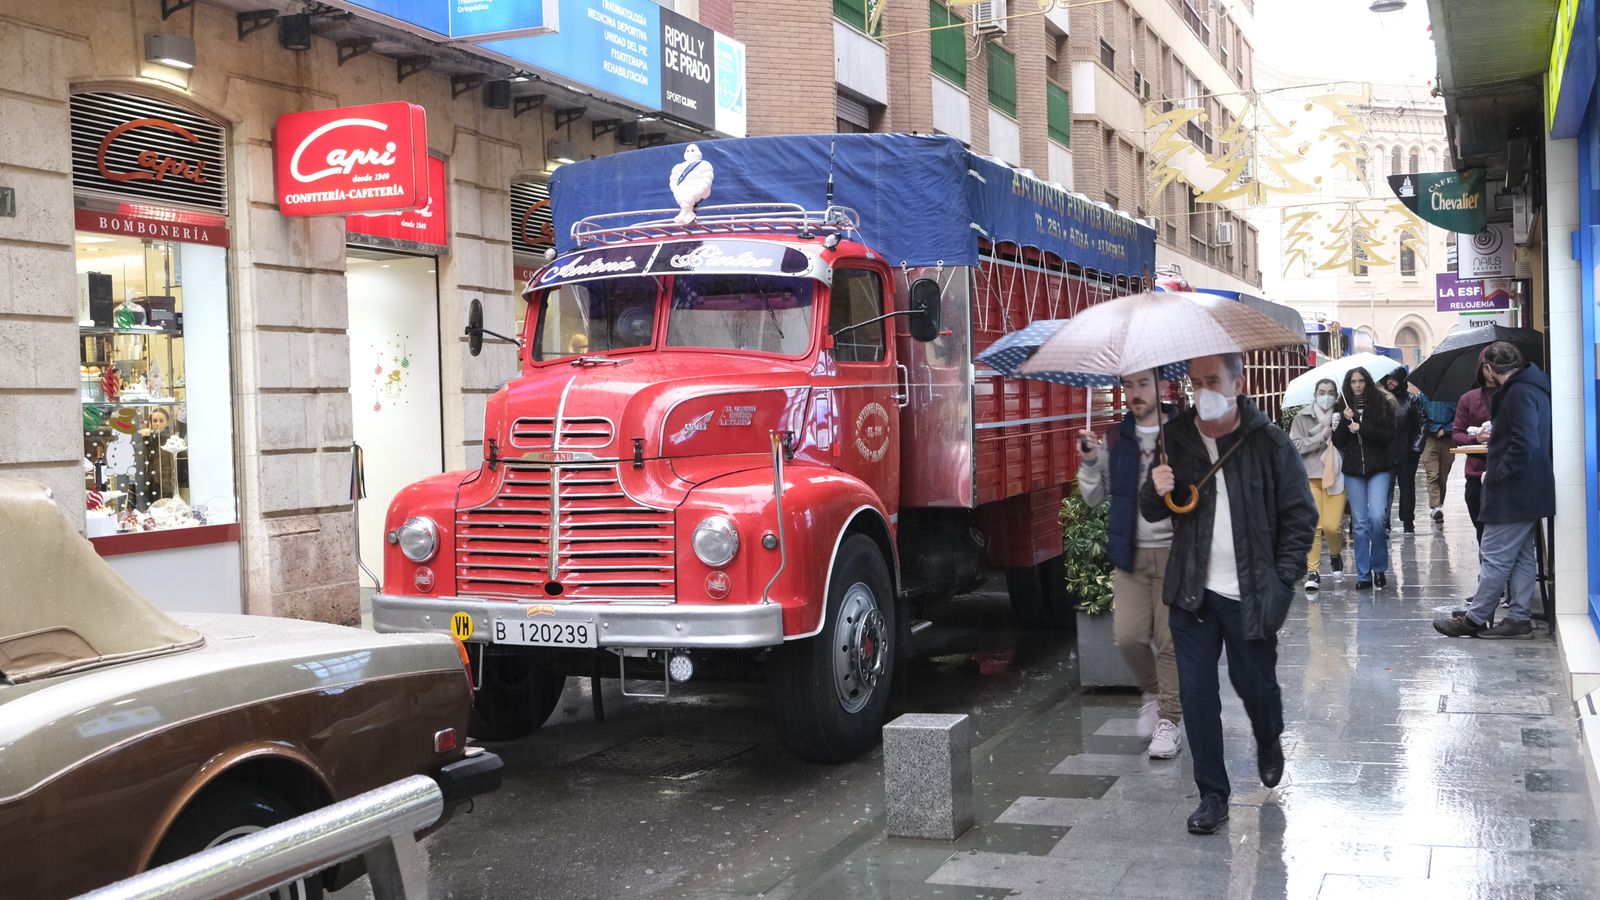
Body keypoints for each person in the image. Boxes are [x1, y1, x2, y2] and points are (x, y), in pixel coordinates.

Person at [1141, 353, 1316, 836]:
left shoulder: (1268, 442)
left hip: (1252, 593)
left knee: (1255, 686)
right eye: (1196, 381)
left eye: (1213, 379)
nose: (1203, 389)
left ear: (1239, 381)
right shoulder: (1174, 438)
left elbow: (1301, 518)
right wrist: (1155, 489)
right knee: (1197, 697)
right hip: (1192, 593)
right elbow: (1156, 510)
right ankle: (1212, 795)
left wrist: (1281, 583)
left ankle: (1268, 738)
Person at [1077, 370, 1182, 760]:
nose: (1135, 393)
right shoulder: (1114, 438)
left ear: (1161, 386)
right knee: (1128, 636)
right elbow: (1093, 498)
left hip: (1175, 550)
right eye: (1128, 385)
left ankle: (1170, 721)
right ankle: (1153, 692)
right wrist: (1090, 464)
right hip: (1130, 553)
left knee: (1170, 641)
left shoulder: (1182, 433)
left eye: (1143, 384)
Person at [1434, 342, 1554, 639]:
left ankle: (1476, 618)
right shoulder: (1534, 387)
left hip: (1514, 490)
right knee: (1522, 555)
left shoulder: (1518, 393)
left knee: (1495, 554)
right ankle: (1518, 618)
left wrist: (1497, 474)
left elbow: (1523, 442)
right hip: (1531, 487)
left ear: (1489, 368)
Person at [1331, 367, 1398, 590]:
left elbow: (1389, 436)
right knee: (1359, 524)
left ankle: (1379, 568)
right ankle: (1363, 574)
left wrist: (1362, 427)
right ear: (1348, 385)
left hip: (1379, 467)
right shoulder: (1341, 407)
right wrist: (1344, 422)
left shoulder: (1381, 403)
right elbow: (1337, 441)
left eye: (1361, 381)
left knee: (1377, 517)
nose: (1357, 385)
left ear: (1367, 382)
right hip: (1353, 470)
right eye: (1353, 382)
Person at [1289, 379, 1346, 591]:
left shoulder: (1343, 414)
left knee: (1332, 526)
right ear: (1315, 393)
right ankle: (1313, 571)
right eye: (1322, 392)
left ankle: (1335, 554)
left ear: (1336, 395)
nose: (1326, 396)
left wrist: (1341, 428)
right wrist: (1321, 437)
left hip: (1336, 475)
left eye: (1331, 392)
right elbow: (1294, 445)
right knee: (1315, 525)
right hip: (1310, 476)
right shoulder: (1302, 417)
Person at [1452, 348, 1495, 543]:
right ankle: (1486, 570)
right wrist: (1476, 439)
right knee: (1482, 529)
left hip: (1509, 474)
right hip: (1477, 474)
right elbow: (1457, 435)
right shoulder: (1468, 399)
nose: (1493, 370)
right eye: (1488, 365)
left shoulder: (1515, 395)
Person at [1383, 368, 1427, 534]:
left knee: (1407, 488)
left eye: (1393, 379)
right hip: (1386, 451)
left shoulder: (1413, 400)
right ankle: (1385, 523)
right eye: (1388, 378)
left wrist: (1416, 448)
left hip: (1407, 452)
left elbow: (1423, 423)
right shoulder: (1381, 400)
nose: (1390, 382)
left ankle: (1408, 521)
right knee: (1385, 488)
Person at [1417, 385, 1457, 524]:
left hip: (1447, 439)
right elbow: (1420, 416)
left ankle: (1438, 506)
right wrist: (1434, 428)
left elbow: (1460, 418)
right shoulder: (1423, 396)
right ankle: (1435, 506)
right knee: (1432, 473)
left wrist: (1446, 430)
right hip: (1430, 438)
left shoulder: (1453, 396)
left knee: (1443, 476)